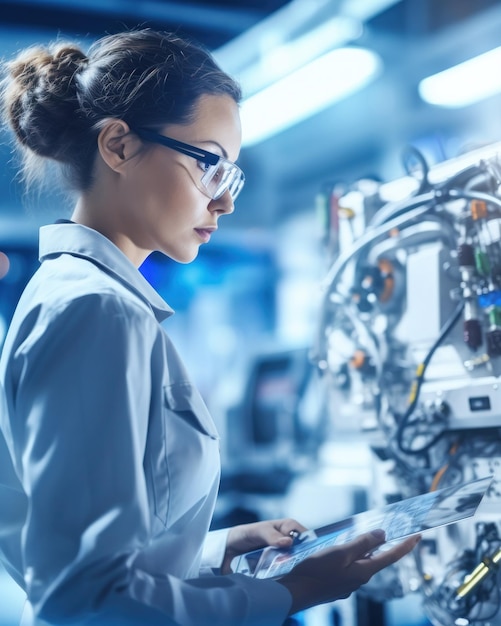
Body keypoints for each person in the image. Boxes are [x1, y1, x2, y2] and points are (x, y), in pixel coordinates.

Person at [0, 28, 420, 626]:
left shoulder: (82, 298)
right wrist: (295, 592)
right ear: (118, 146)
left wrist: (220, 549)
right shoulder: (95, 310)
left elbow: (81, 557)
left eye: (232, 175)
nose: (223, 202)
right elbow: (84, 600)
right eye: (210, 164)